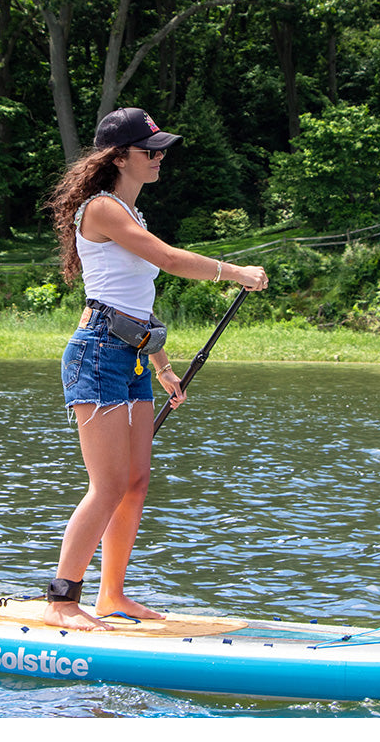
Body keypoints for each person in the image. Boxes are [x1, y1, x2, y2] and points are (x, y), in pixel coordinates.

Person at [44, 107, 269, 631]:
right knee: (108, 484)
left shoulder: (133, 212)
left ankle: (112, 596)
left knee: (136, 482)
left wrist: (163, 365)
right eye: (151, 151)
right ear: (119, 157)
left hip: (134, 354)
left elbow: (137, 303)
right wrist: (234, 271)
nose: (160, 157)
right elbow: (165, 260)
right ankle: (61, 599)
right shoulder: (101, 209)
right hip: (97, 353)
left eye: (160, 148)